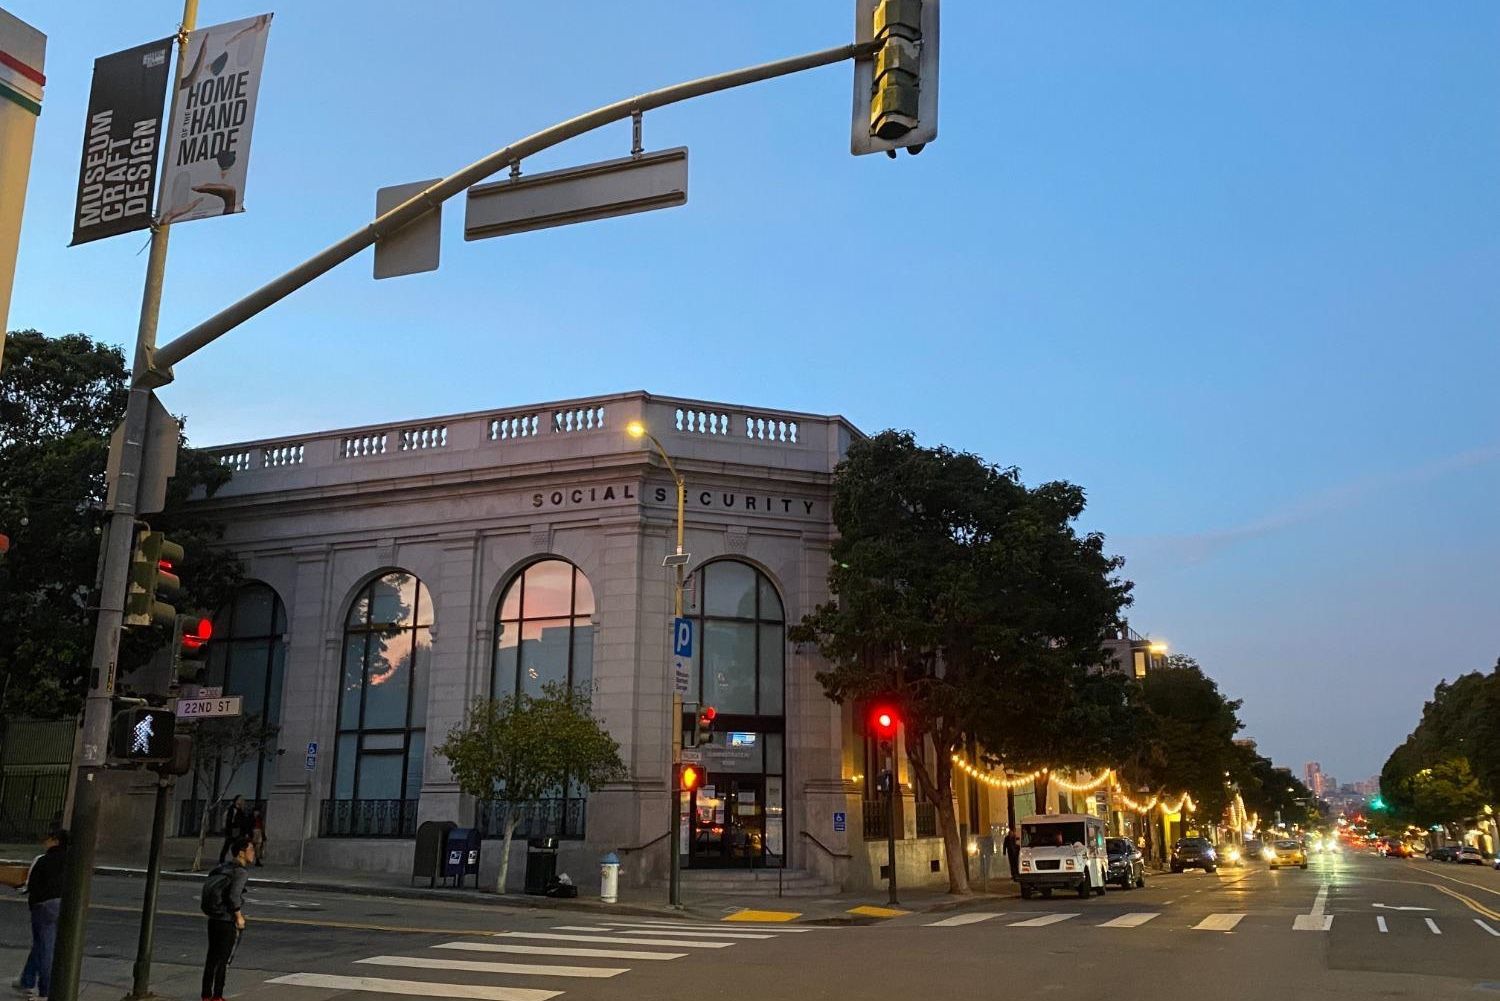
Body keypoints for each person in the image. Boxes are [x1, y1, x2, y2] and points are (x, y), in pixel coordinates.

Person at [10, 829, 66, 1000]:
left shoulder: (41, 860)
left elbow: (30, 885)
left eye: (48, 839)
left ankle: (45, 991)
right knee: (43, 944)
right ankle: (26, 980)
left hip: (43, 905)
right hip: (63, 904)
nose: (45, 842)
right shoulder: (73, 860)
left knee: (44, 947)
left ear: (55, 841)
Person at [201, 834, 253, 1001]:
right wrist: (239, 916)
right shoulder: (240, 872)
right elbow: (234, 896)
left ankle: (206, 995)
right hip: (226, 919)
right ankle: (217, 996)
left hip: (214, 917)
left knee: (212, 957)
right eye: (250, 849)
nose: (253, 853)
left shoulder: (222, 868)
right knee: (223, 959)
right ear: (241, 853)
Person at [219, 795, 249, 864]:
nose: (241, 801)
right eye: (239, 800)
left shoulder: (241, 810)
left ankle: (236, 860)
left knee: (237, 846)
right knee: (227, 846)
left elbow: (243, 821)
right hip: (231, 830)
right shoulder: (231, 809)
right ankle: (222, 860)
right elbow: (228, 820)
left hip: (238, 830)